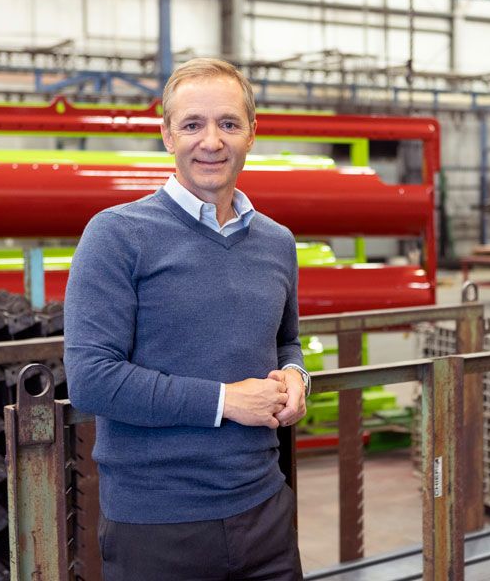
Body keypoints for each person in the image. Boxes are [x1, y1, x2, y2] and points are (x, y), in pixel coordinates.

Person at [64, 57, 310, 581]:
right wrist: (225, 402)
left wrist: (296, 375)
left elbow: (286, 342)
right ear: (166, 135)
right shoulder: (117, 235)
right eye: (192, 125)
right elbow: (91, 380)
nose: (212, 141)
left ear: (252, 133)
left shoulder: (277, 241)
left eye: (228, 123)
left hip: (265, 509)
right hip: (158, 525)